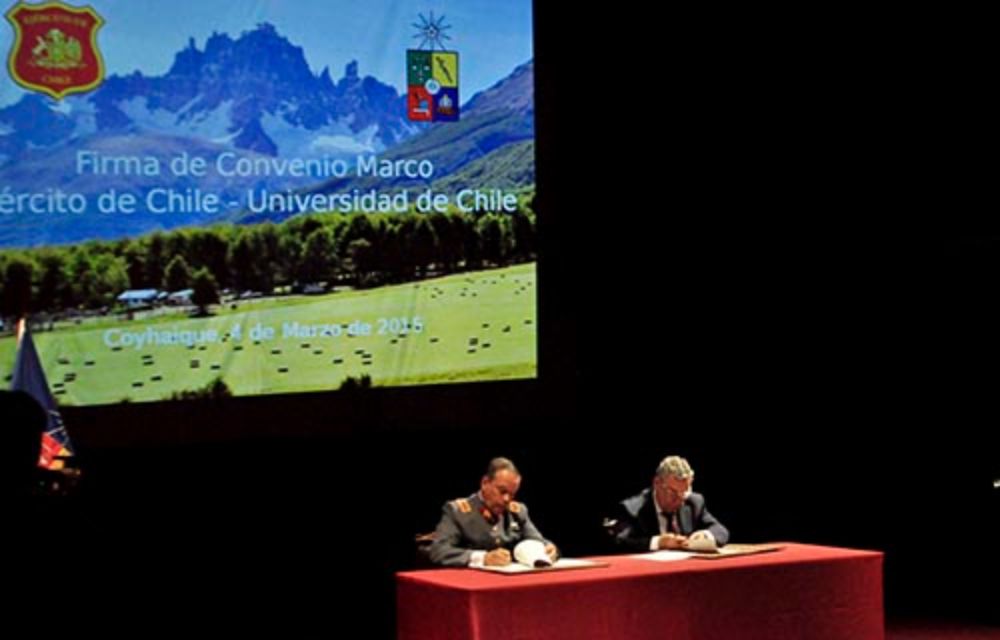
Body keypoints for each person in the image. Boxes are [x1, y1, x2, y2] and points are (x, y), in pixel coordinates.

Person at [428, 457, 558, 567]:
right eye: (502, 491)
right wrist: (483, 558)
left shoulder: (518, 512)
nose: (507, 499)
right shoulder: (457, 511)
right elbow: (439, 551)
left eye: (512, 494)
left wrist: (550, 549)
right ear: (485, 483)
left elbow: (537, 541)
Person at [608, 455, 729, 552]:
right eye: (673, 492)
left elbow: (721, 530)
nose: (680, 499)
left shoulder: (694, 503)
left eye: (684, 492)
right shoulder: (634, 508)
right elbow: (619, 542)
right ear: (657, 483)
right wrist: (659, 542)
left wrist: (705, 536)